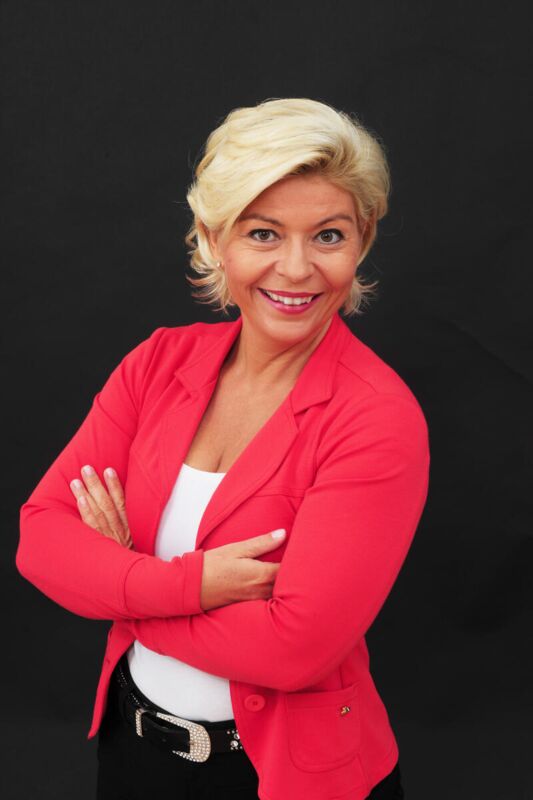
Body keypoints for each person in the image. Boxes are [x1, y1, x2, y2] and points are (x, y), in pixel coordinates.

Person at [16, 97, 430, 800]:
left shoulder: (376, 417)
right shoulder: (157, 363)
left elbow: (293, 649)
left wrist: (120, 583)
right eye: (263, 233)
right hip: (133, 751)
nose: (296, 268)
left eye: (328, 236)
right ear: (213, 238)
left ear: (360, 242)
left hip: (282, 780)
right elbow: (40, 540)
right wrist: (191, 585)